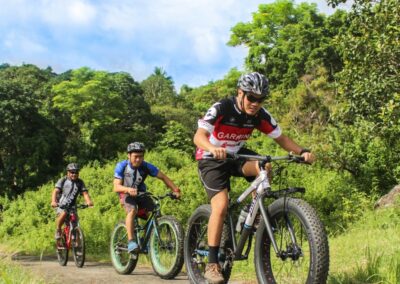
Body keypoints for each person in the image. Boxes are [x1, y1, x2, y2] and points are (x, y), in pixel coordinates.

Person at [193, 72, 315, 283]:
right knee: (220, 206)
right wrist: (213, 147)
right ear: (240, 93)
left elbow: (282, 138)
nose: (255, 103)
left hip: (237, 156)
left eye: (260, 99)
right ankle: (212, 264)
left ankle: (253, 213)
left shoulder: (260, 115)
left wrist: (302, 151)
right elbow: (198, 136)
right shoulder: (222, 107)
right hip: (211, 158)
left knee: (264, 166)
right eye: (251, 97)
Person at [113, 142, 181, 253]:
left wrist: (175, 190)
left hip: (141, 193)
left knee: (154, 212)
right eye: (135, 156)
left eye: (141, 157)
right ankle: (131, 241)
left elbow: (163, 177)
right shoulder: (122, 166)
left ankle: (146, 239)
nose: (138, 160)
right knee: (132, 210)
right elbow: (116, 187)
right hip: (124, 193)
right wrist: (128, 189)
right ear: (129, 156)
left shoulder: (145, 166)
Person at [51, 163, 93, 240]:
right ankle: (58, 229)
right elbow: (55, 191)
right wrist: (53, 201)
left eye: (76, 172)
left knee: (75, 223)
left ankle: (77, 247)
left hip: (73, 206)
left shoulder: (80, 182)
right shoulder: (63, 180)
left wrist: (88, 202)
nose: (74, 174)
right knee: (64, 213)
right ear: (68, 172)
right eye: (72, 172)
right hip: (62, 204)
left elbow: (85, 193)